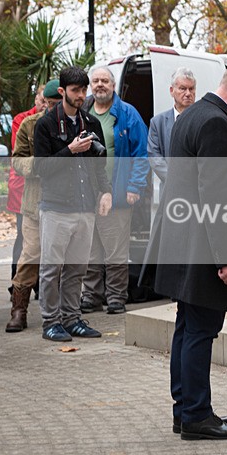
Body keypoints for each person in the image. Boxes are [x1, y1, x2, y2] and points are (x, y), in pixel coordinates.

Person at [142, 61, 227, 440]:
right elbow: (215, 196)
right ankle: (196, 415)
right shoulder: (214, 122)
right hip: (204, 248)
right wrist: (226, 258)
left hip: (185, 242)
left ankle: (187, 409)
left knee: (187, 328)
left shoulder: (192, 114)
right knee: (200, 331)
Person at [34, 66, 112, 342]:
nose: (81, 96)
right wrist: (70, 150)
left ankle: (72, 317)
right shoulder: (45, 124)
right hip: (56, 206)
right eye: (76, 91)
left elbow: (100, 166)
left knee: (77, 268)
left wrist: (106, 192)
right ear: (62, 91)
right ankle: (50, 322)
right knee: (51, 268)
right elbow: (40, 168)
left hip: (85, 205)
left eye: (83, 90)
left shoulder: (91, 123)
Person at [79, 66, 148, 315]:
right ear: (90, 85)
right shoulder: (81, 112)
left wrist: (135, 187)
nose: (100, 85)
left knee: (116, 250)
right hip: (87, 195)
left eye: (105, 81)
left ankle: (117, 297)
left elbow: (142, 154)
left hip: (117, 194)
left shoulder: (128, 114)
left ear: (113, 85)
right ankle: (91, 296)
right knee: (90, 249)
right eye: (95, 81)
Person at [5, 81, 61, 332]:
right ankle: (19, 309)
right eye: (50, 104)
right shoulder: (29, 124)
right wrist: (38, 167)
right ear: (45, 103)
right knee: (31, 255)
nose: (53, 108)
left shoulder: (75, 123)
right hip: (35, 203)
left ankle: (63, 311)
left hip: (65, 202)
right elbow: (17, 160)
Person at [7, 86, 46, 289]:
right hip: (23, 188)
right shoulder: (23, 120)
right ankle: (17, 287)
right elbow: (19, 153)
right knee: (25, 240)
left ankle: (40, 287)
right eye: (42, 100)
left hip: (48, 190)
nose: (45, 105)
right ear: (37, 99)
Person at [148, 67, 196, 198]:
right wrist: (176, 180)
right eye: (182, 88)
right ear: (171, 91)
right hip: (170, 192)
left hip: (198, 193)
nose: (188, 93)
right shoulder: (158, 123)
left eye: (191, 89)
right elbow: (154, 156)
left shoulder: (204, 120)